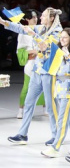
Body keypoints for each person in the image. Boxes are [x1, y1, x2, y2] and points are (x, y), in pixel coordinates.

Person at [3, 8, 62, 145]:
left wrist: (33, 34)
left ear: (51, 18)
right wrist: (4, 22)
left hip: (49, 73)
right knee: (29, 102)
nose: (40, 17)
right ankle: (22, 134)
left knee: (51, 106)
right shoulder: (41, 28)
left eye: (44, 16)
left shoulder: (57, 32)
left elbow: (44, 46)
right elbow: (21, 28)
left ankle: (57, 135)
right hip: (37, 71)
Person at [42, 28, 70, 158]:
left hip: (69, 89)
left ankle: (56, 147)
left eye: (65, 37)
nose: (62, 40)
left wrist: (69, 57)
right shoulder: (59, 51)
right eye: (61, 37)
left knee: (62, 119)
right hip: (60, 88)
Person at [14, 10, 39, 120]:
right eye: (33, 17)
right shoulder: (23, 32)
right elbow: (20, 51)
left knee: (43, 86)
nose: (35, 19)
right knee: (27, 87)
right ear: (27, 19)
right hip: (30, 61)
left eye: (36, 17)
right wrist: (33, 51)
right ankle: (21, 109)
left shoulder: (41, 30)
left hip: (40, 61)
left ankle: (45, 108)